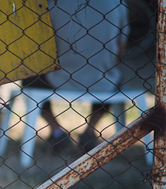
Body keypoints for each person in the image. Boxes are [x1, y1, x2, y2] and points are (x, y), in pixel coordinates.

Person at [25, 0, 129, 153]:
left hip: (58, 77)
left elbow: (41, 45)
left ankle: (56, 131)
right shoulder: (117, 3)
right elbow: (120, 50)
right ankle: (90, 131)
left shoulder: (52, 3)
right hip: (102, 80)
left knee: (28, 77)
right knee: (115, 77)